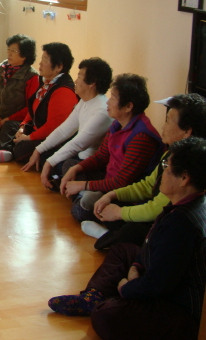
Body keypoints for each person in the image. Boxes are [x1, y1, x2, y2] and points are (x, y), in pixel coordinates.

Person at [48, 137, 206, 340]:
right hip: (158, 280)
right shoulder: (187, 203)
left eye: (167, 168)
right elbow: (152, 245)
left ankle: (106, 301)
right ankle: (93, 297)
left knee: (105, 316)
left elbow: (158, 285)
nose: (162, 173)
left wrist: (126, 288)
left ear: (184, 178)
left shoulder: (181, 223)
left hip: (177, 309)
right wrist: (137, 265)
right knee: (122, 251)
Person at [82, 93, 206, 249]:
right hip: (149, 207)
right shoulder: (170, 153)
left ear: (186, 132)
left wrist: (119, 212)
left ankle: (108, 237)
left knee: (132, 231)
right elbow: (148, 185)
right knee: (104, 206)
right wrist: (112, 194)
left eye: (168, 121)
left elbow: (157, 208)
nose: (163, 126)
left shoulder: (188, 166)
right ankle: (114, 236)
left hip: (163, 221)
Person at [61, 73, 164, 221]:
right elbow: (101, 157)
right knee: (69, 165)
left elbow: (122, 182)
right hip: (108, 177)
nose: (108, 102)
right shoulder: (117, 123)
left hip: (123, 192)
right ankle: (87, 196)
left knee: (79, 212)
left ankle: (87, 197)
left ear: (128, 106)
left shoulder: (141, 137)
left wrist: (83, 185)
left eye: (113, 98)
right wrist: (75, 169)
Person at [20, 57, 113, 189]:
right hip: (79, 156)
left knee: (61, 164)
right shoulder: (85, 101)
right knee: (45, 156)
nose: (75, 81)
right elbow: (64, 130)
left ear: (92, 83)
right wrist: (38, 150)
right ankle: (62, 181)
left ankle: (82, 190)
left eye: (79, 77)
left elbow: (78, 144)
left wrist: (49, 163)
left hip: (91, 163)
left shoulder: (102, 111)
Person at [0, 42, 78, 164]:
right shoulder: (47, 82)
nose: (40, 63)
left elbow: (53, 127)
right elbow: (32, 109)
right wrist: (23, 126)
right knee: (10, 126)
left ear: (59, 67)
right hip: (34, 127)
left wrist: (29, 137)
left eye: (45, 60)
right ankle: (8, 149)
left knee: (21, 149)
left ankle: (9, 149)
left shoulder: (63, 91)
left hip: (51, 137)